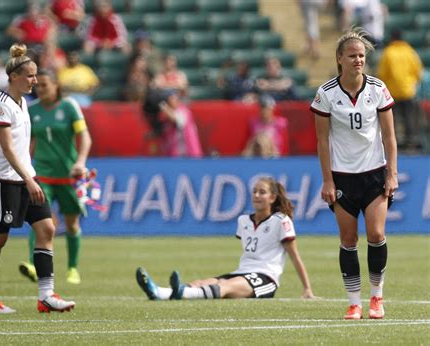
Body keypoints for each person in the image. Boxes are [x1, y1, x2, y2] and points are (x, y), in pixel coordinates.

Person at [0, 43, 75, 313]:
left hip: (26, 178)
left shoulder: (24, 104)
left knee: (47, 229)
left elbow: (23, 146)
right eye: (30, 75)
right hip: (3, 181)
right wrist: (31, 180)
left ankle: (46, 296)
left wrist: (31, 177)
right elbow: (8, 149)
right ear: (14, 76)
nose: (35, 80)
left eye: (36, 75)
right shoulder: (0, 105)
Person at [310, 27, 398, 320]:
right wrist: (327, 180)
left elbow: (389, 136)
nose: (358, 60)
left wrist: (391, 174)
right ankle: (353, 302)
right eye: (352, 56)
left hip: (374, 174)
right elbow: (322, 140)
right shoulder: (326, 94)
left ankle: (376, 298)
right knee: (348, 240)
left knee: (376, 233)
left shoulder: (377, 89)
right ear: (340, 59)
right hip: (342, 176)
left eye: (361, 55)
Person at [136, 177, 316, 301]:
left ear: (272, 198)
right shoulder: (244, 220)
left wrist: (307, 288)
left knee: (225, 287)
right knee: (201, 282)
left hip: (265, 278)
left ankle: (178, 292)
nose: (256, 195)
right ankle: (158, 291)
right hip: (242, 271)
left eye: (262, 192)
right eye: (254, 191)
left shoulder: (281, 221)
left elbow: (294, 256)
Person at [18, 69, 92, 285]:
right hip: (42, 174)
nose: (40, 89)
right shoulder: (31, 111)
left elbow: (85, 138)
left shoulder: (69, 107)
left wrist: (80, 162)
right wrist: (25, 170)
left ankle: (72, 268)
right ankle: (33, 264)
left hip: (68, 176)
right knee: (40, 221)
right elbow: (27, 143)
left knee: (71, 224)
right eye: (37, 86)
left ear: (56, 86)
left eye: (44, 85)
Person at [377, 30, 424, 150]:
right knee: (409, 118)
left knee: (394, 120)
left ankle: (396, 142)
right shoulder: (410, 52)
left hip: (393, 93)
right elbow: (418, 72)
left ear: (392, 39)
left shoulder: (388, 52)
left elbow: (382, 74)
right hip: (409, 92)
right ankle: (412, 142)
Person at [158, 89, 203, 157]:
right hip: (173, 155)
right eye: (172, 98)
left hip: (189, 154)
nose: (176, 100)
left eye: (176, 98)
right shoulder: (164, 115)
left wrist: (164, 107)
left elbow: (178, 121)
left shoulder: (183, 110)